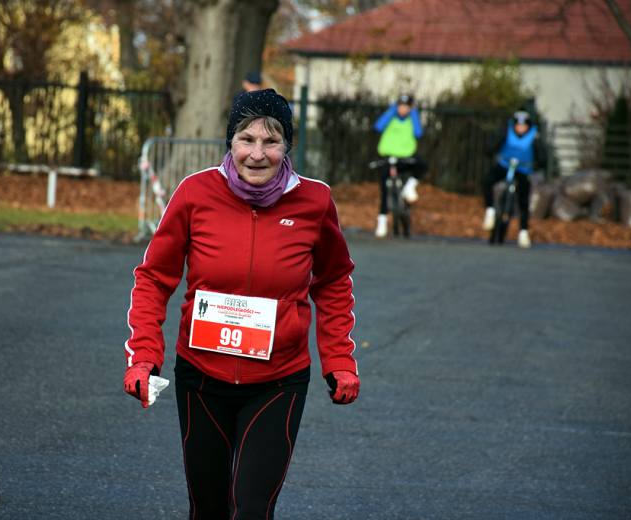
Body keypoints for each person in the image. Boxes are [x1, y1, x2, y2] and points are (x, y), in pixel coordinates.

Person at [123, 88, 360, 520]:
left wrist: (339, 359)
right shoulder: (194, 194)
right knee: (208, 509)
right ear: (229, 142)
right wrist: (144, 356)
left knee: (252, 509)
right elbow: (154, 278)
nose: (257, 153)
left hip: (278, 381)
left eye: (271, 141)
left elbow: (332, 281)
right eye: (246, 139)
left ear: (288, 146)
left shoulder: (315, 201)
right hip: (202, 377)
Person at [482, 110, 547, 248]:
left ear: (529, 127)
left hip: (523, 169)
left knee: (523, 201)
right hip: (505, 165)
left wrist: (541, 162)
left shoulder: (534, 135)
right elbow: (496, 142)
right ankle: (490, 210)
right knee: (487, 181)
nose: (520, 128)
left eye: (523, 126)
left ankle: (523, 231)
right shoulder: (507, 130)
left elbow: (540, 153)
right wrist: (490, 150)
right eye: (518, 125)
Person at [372, 93, 428, 237]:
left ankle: (409, 187)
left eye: (406, 107)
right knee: (384, 189)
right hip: (389, 159)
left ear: (410, 108)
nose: (403, 109)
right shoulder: (391, 117)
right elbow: (378, 126)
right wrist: (391, 111)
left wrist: (414, 114)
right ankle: (382, 221)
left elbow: (418, 133)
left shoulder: (411, 119)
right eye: (400, 106)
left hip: (406, 159)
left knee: (422, 163)